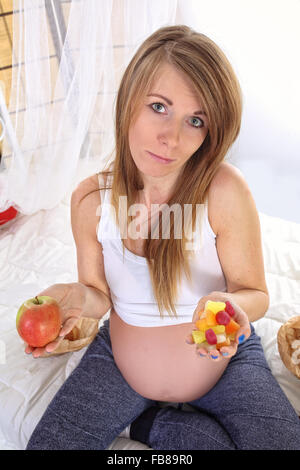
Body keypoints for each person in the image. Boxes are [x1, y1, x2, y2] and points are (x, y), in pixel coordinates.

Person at [26, 25, 300, 450]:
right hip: (119, 364)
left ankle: (152, 427)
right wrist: (79, 299)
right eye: (158, 106)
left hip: (224, 364)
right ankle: (157, 425)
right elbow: (99, 294)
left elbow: (255, 293)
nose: (172, 138)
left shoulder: (224, 190)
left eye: (195, 120)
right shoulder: (90, 200)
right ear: (129, 101)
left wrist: (232, 305)